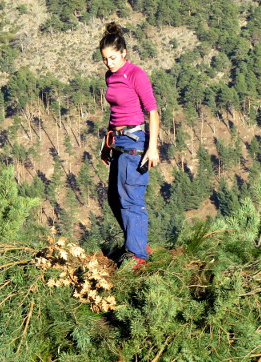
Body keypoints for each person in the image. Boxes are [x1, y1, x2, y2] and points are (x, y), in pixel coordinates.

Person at [99, 22, 160, 270]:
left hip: (136, 140)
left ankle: (138, 256)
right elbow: (115, 112)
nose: (109, 63)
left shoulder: (136, 74)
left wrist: (152, 147)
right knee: (114, 197)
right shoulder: (110, 76)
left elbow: (153, 112)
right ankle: (137, 243)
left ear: (123, 52)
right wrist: (107, 143)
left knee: (131, 198)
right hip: (118, 141)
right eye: (105, 59)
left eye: (112, 57)